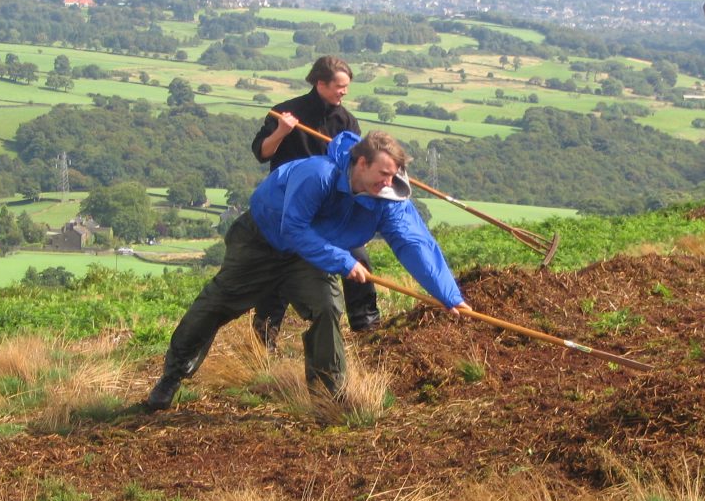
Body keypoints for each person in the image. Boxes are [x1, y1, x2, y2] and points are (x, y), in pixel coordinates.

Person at [145, 130, 471, 412]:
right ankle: (171, 377)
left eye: (394, 175)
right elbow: (294, 229)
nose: (388, 183)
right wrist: (344, 262)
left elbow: (415, 243)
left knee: (327, 308)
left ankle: (327, 396)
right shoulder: (318, 174)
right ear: (360, 163)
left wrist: (447, 295)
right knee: (217, 304)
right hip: (262, 243)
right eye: (383, 174)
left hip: (311, 255)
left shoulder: (387, 196)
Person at [250, 56, 380, 349]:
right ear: (320, 83)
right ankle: (264, 338)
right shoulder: (287, 112)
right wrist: (282, 131)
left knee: (357, 255)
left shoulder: (345, 121)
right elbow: (262, 152)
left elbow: (355, 164)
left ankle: (367, 325)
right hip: (289, 204)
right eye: (339, 86)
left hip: (329, 206)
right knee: (279, 264)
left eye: (346, 87)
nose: (344, 92)